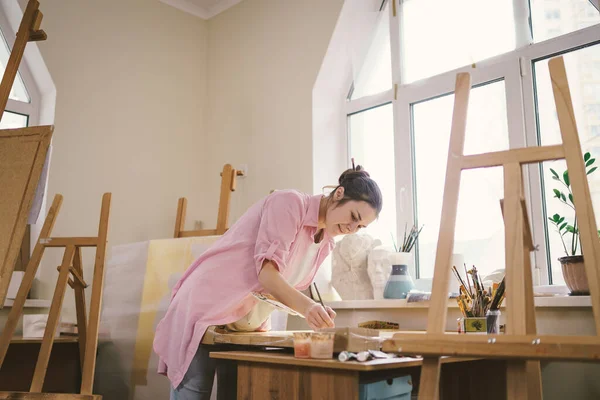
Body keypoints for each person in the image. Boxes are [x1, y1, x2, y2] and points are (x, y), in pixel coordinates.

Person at [153, 164, 383, 399]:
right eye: (354, 217)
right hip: (207, 305)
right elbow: (267, 273)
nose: (352, 228)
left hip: (244, 322)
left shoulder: (325, 241)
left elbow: (276, 289)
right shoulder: (289, 204)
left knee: (239, 391)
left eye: (360, 226)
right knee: (194, 391)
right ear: (339, 193)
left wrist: (311, 310)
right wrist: (307, 307)